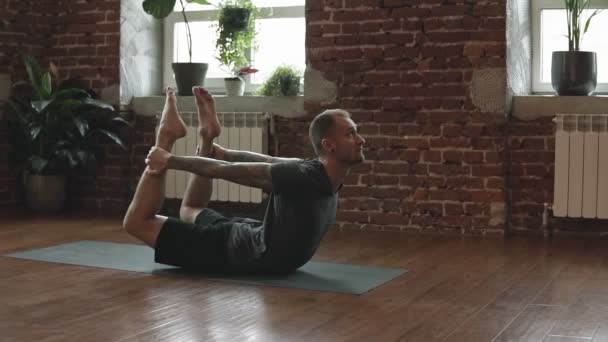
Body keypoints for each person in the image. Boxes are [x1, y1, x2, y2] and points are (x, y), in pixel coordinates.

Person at [123, 86, 366, 274]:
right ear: (329, 145)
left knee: (190, 210)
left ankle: (207, 136)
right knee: (136, 223)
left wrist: (225, 153)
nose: (360, 140)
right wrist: (169, 159)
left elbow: (269, 160)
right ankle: (166, 135)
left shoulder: (318, 175)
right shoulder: (306, 177)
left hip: (249, 237)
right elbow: (228, 170)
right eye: (351, 134)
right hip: (231, 251)